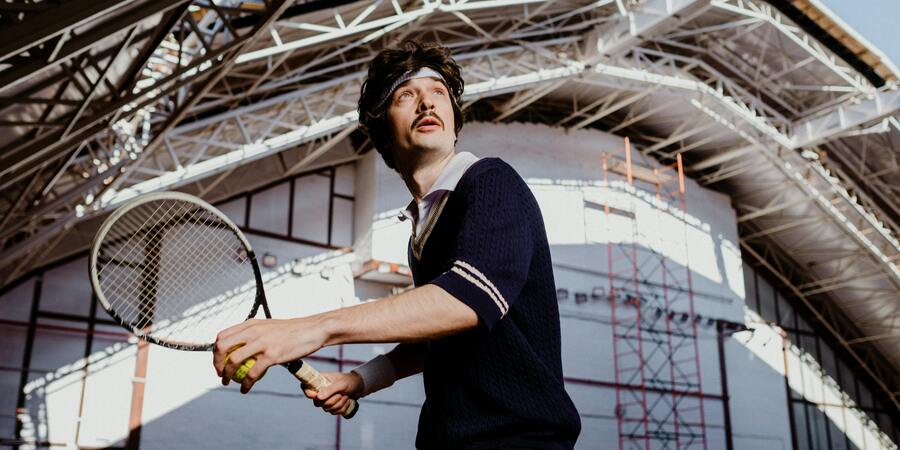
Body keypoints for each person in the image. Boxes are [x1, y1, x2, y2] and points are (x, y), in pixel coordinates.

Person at [213, 40, 581, 449]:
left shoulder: (489, 181)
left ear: (455, 124)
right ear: (384, 134)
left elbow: (469, 300)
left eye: (438, 93)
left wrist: (312, 330)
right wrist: (361, 380)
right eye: (407, 94)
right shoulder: (421, 234)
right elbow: (436, 335)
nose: (427, 103)